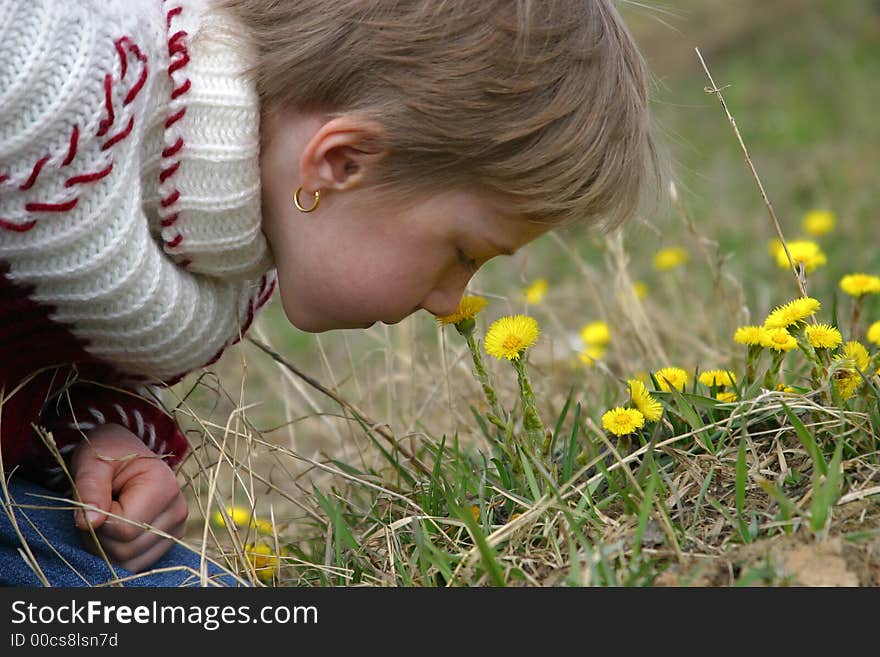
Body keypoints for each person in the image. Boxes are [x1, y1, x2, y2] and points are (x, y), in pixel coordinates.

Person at [0, 0, 659, 586]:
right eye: (462, 253)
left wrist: (91, 435)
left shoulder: (225, 229)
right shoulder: (50, 90)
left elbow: (33, 353)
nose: (450, 299)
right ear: (342, 162)